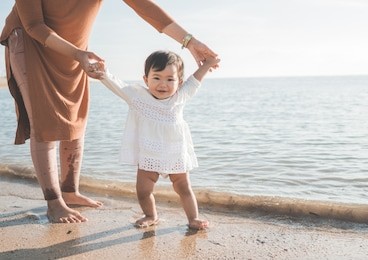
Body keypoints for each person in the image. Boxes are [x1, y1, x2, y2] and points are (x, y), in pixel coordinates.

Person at [0, 0, 218, 224]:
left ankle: (69, 191)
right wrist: (77, 54)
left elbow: (143, 6)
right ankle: (54, 203)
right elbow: (34, 25)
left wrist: (190, 42)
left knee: (75, 116)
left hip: (76, 47)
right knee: (44, 119)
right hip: (33, 41)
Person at [96, 50, 220, 229]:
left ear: (179, 82)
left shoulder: (179, 97)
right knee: (143, 190)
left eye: (170, 79)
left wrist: (207, 64)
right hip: (149, 152)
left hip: (175, 153)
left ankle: (193, 218)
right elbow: (118, 86)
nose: (163, 84)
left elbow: (195, 81)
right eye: (157, 78)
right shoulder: (138, 97)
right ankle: (150, 215)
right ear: (146, 79)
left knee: (183, 188)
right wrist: (104, 73)